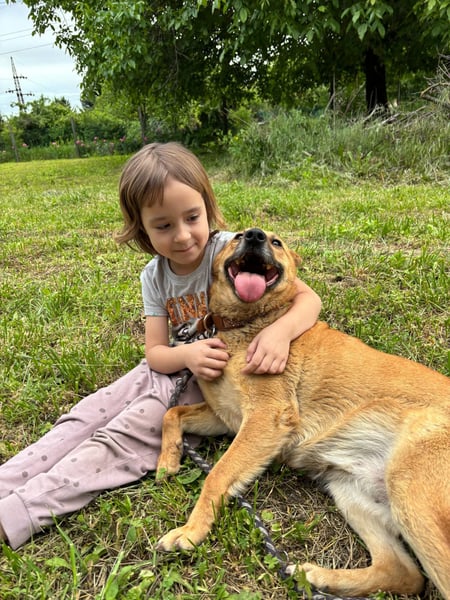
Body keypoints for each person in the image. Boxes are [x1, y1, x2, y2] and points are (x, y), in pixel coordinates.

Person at [0, 142, 322, 549]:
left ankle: (16, 514)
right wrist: (186, 354)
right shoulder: (153, 277)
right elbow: (155, 352)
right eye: (164, 225)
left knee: (120, 438)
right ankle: (6, 481)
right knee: (83, 417)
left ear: (208, 209)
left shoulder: (229, 250)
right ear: (142, 230)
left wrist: (280, 332)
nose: (183, 236)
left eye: (192, 218)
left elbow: (308, 298)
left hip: (211, 380)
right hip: (170, 364)